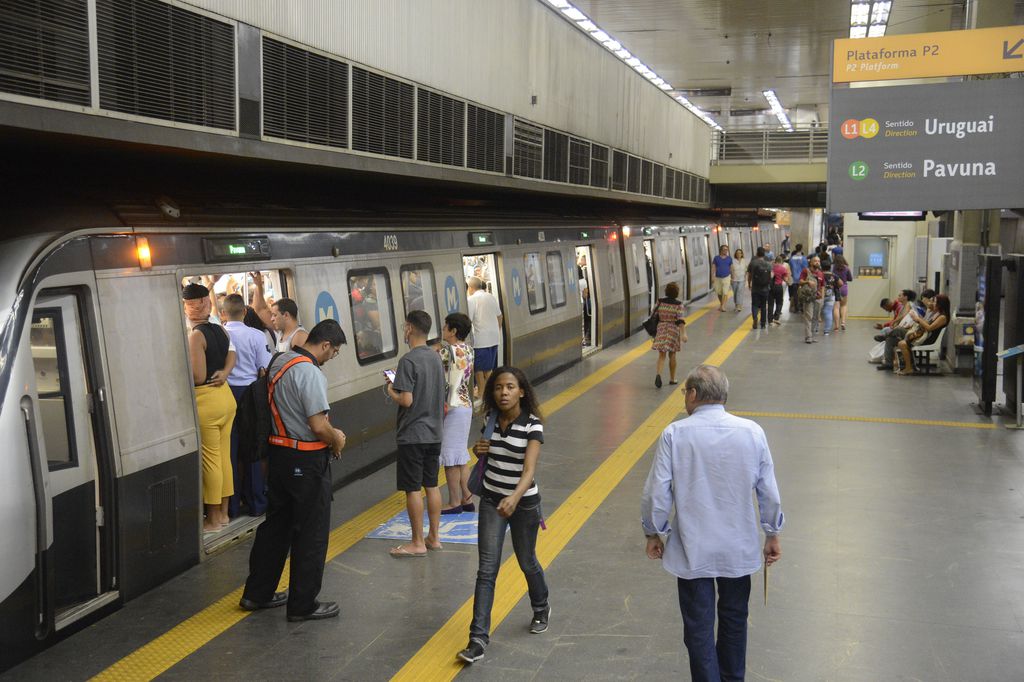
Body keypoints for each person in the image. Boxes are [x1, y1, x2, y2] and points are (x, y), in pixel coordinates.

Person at [641, 365, 783, 682]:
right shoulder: (752, 432)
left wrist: (654, 532)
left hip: (693, 548)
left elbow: (656, 492)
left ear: (693, 393)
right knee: (734, 620)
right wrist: (772, 533)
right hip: (738, 548)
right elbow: (768, 491)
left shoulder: (675, 434)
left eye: (684, 394)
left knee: (698, 626)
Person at [239, 319, 348, 621]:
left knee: (275, 527)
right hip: (306, 461)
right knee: (310, 533)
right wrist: (337, 439)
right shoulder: (310, 373)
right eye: (334, 352)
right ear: (325, 345)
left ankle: (256, 594)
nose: (331, 358)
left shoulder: (281, 360)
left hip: (278, 458)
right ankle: (303, 605)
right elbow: (318, 425)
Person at [458, 367, 549, 664]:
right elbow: (485, 456)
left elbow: (529, 470)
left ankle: (541, 606)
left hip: (522, 504)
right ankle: (478, 638)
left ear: (521, 391)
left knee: (527, 561)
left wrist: (515, 496)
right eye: (498, 388)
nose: (504, 392)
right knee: (486, 569)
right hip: (492, 501)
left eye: (510, 387)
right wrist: (477, 449)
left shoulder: (533, 426)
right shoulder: (490, 421)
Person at [385, 310, 446, 557]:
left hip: (413, 434)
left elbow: (407, 400)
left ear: (409, 328)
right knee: (431, 484)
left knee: (412, 488)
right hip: (434, 432)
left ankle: (417, 543)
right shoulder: (435, 358)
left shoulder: (408, 361)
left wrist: (391, 390)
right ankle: (434, 537)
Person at [183, 283, 237, 532]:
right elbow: (231, 357)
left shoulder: (196, 336)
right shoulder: (221, 329)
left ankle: (213, 519)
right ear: (208, 303)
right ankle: (225, 514)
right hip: (225, 398)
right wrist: (224, 373)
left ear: (188, 306)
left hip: (205, 400)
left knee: (211, 461)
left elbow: (197, 376)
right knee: (224, 457)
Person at [222, 294, 273, 518]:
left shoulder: (220, 334)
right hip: (250, 393)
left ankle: (231, 506)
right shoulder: (256, 335)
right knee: (252, 448)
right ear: (244, 311)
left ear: (223, 313)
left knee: (229, 451)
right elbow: (264, 368)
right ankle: (256, 503)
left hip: (225, 393)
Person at [437, 313, 476, 515]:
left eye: (445, 327)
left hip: (451, 407)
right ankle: (467, 498)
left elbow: (438, 372)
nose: (443, 330)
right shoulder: (469, 349)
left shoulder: (447, 351)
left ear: (453, 331)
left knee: (450, 458)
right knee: (460, 456)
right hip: (465, 404)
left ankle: (454, 502)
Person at [467, 276, 502, 404]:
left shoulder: (471, 299)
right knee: (488, 369)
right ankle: (490, 392)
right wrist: (496, 330)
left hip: (481, 340)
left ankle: (481, 393)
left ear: (471, 288)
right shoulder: (490, 297)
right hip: (494, 338)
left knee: (478, 369)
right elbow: (499, 316)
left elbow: (468, 319)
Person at [895, 293, 950, 375]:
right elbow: (927, 322)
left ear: (940, 304)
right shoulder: (937, 314)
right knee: (901, 342)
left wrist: (917, 319)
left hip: (929, 339)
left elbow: (929, 328)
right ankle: (910, 366)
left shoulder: (942, 317)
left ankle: (909, 368)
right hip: (926, 336)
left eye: (935, 302)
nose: (933, 304)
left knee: (902, 343)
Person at [652, 283, 688, 388]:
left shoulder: (660, 301)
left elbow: (653, 314)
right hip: (673, 329)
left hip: (661, 328)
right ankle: (672, 379)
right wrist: (683, 334)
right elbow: (680, 320)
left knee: (661, 355)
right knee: (672, 354)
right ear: (677, 293)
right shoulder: (679, 304)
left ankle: (658, 374)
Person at [799, 256, 825, 343]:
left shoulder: (821, 274)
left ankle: (812, 335)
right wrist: (807, 282)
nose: (817, 262)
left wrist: (822, 297)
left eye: (818, 261)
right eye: (815, 261)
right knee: (808, 317)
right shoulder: (805, 271)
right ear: (811, 262)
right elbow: (800, 282)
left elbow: (822, 286)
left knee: (816, 317)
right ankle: (808, 337)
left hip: (817, 298)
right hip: (808, 297)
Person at [745, 247, 773, 331]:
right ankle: (763, 324)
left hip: (755, 288)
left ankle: (755, 318)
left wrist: (749, 283)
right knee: (764, 306)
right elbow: (770, 276)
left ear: (757, 253)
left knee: (754, 304)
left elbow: (749, 275)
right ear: (764, 254)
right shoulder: (768, 264)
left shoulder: (753, 263)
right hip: (765, 288)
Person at [770, 255, 791, 326]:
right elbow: (786, 279)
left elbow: (770, 276)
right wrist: (788, 282)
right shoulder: (783, 268)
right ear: (781, 261)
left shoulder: (771, 267)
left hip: (771, 287)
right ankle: (776, 317)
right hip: (778, 287)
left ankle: (770, 319)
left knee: (771, 303)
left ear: (775, 261)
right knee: (779, 302)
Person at [711, 245, 732, 312]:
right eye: (724, 249)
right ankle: (721, 304)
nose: (725, 251)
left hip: (727, 277)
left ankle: (722, 306)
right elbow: (713, 267)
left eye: (726, 250)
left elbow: (731, 268)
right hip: (718, 277)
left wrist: (733, 277)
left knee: (725, 292)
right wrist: (712, 276)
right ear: (721, 250)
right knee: (719, 292)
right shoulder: (716, 258)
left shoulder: (729, 258)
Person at [788, 244, 808, 313]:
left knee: (795, 294)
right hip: (802, 279)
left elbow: (790, 268)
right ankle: (802, 307)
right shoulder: (804, 259)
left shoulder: (791, 259)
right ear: (801, 249)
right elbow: (806, 269)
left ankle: (796, 308)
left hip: (794, 279)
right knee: (802, 293)